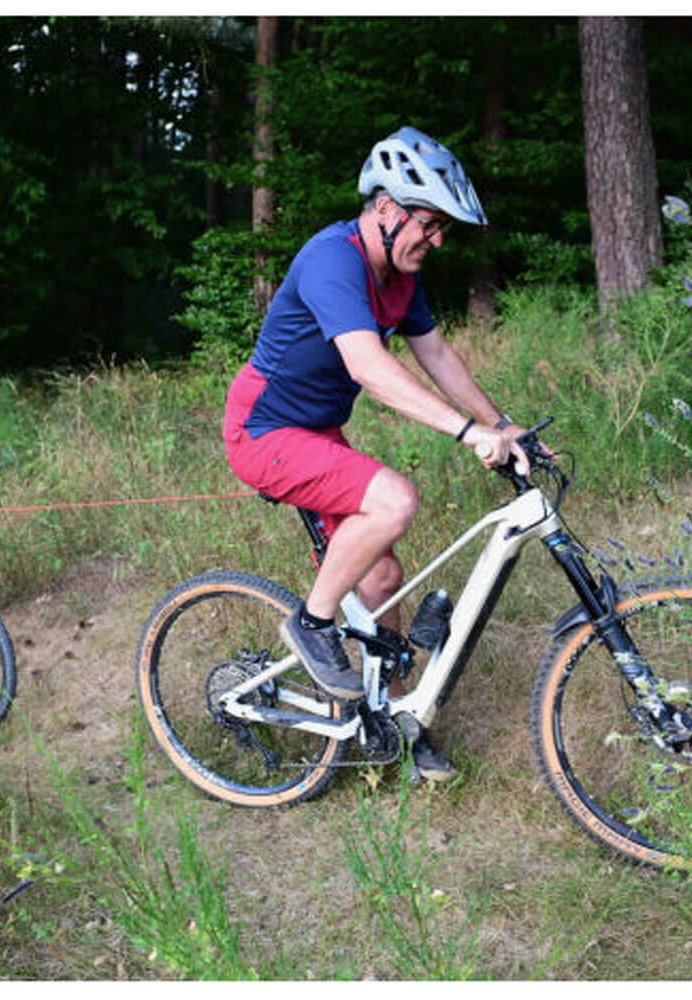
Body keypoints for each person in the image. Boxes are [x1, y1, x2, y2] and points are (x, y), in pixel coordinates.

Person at [221, 126, 532, 780]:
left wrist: (503, 425)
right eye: (430, 223)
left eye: (444, 228)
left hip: (316, 433)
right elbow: (365, 365)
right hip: (263, 430)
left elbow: (438, 356)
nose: (437, 240)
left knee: (384, 578)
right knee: (394, 499)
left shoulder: (401, 274)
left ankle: (388, 719)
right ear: (386, 207)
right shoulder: (332, 258)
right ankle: (310, 624)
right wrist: (467, 433)